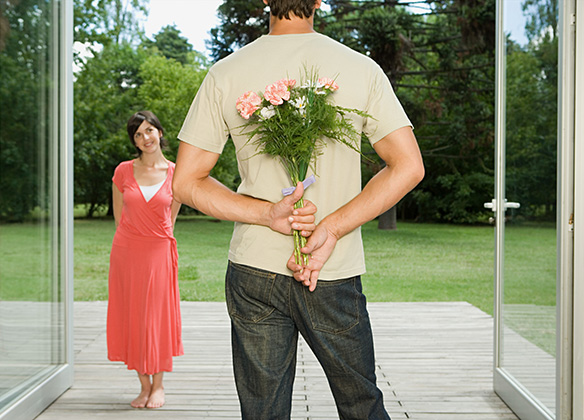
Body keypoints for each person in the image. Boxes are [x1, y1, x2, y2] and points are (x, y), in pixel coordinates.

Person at [173, 0, 424, 418]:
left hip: (254, 270)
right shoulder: (360, 69)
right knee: (361, 405)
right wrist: (332, 227)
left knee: (263, 412)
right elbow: (409, 166)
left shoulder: (226, 72)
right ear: (319, 0)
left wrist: (266, 214)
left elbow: (185, 183)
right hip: (331, 268)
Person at [107, 110, 183, 409]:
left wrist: (158, 241)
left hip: (159, 251)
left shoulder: (177, 173)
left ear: (160, 133)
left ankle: (159, 386)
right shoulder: (123, 171)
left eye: (149, 130)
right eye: (138, 134)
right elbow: (118, 217)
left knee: (156, 318)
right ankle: (143, 385)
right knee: (133, 315)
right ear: (134, 141)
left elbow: (171, 219)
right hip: (127, 252)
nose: (145, 138)